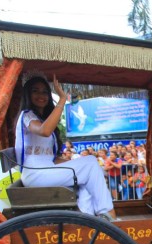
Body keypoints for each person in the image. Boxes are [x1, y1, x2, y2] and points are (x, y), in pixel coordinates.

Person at [14, 72, 115, 219]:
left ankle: (89, 218)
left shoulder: (42, 119)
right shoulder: (27, 116)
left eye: (44, 92)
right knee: (91, 164)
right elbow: (45, 131)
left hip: (46, 172)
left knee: (89, 175)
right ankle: (108, 212)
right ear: (28, 95)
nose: (41, 95)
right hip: (35, 174)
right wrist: (62, 99)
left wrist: (77, 163)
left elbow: (52, 159)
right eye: (35, 91)